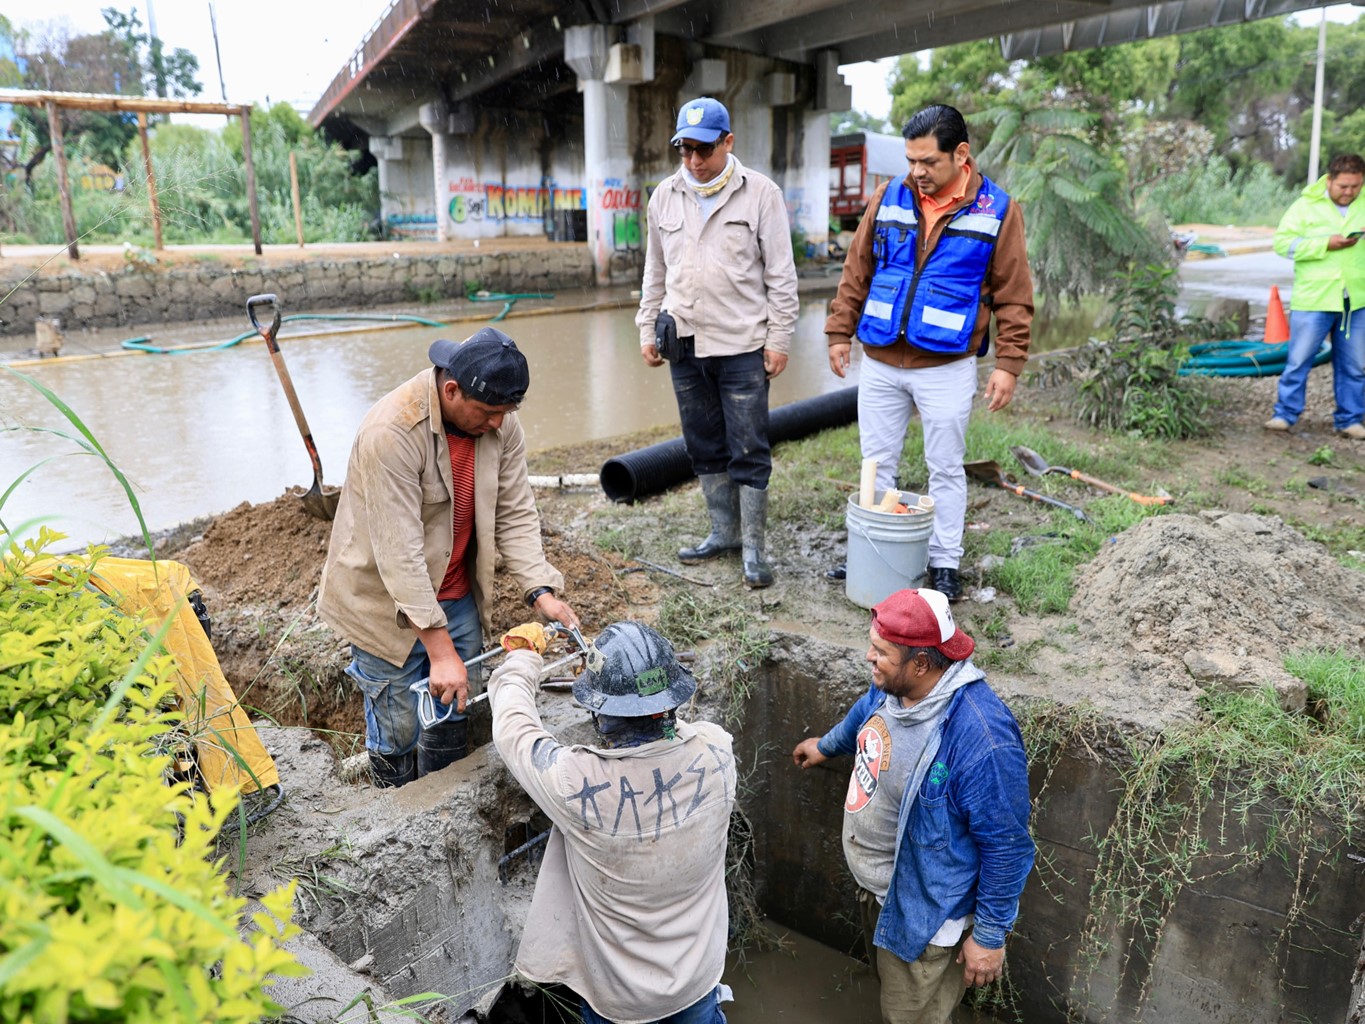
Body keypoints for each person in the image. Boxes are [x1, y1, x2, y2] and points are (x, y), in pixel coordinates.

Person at [318, 327, 580, 788]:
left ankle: (447, 801)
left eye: (506, 412)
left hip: (455, 593)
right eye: (489, 413)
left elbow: (515, 511)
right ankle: (395, 807)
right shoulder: (393, 432)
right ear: (452, 390)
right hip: (381, 602)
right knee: (398, 721)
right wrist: (439, 649)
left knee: (455, 706)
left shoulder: (499, 423)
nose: (498, 424)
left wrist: (540, 591)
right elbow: (398, 553)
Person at [791, 588, 1034, 1024]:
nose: (869, 658)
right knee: (892, 993)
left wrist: (991, 937)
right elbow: (866, 712)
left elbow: (1007, 848)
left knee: (910, 1017)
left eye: (881, 652)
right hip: (880, 892)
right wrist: (826, 746)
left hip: (925, 917)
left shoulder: (983, 740)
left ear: (921, 663)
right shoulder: (894, 685)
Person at [824, 104, 1034, 601]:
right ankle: (874, 550)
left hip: (947, 366)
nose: (916, 173)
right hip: (879, 359)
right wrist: (839, 332)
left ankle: (943, 564)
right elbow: (858, 270)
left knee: (945, 466)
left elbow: (1014, 293)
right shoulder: (889, 195)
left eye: (928, 162)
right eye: (910, 161)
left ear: (961, 155)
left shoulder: (997, 210)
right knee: (876, 462)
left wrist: (1009, 363)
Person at [489, 620, 737, 1024]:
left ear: (600, 713)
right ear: (670, 701)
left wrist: (522, 659)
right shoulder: (718, 752)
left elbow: (515, 730)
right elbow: (678, 735)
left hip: (620, 1003)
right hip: (698, 985)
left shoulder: (576, 781)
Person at [636, 96, 800, 589]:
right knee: (702, 444)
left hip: (743, 344)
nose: (693, 161)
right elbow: (654, 270)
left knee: (748, 446)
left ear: (728, 143)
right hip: (682, 342)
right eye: (684, 150)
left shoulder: (761, 194)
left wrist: (780, 339)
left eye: (703, 150)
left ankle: (753, 548)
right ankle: (723, 533)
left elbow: (782, 276)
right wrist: (647, 327)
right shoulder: (664, 197)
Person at [1265, 152, 1365, 441]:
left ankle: (1349, 419)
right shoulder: (1305, 206)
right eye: (1343, 186)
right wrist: (1325, 244)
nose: (1349, 193)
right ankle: (1284, 415)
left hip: (1356, 301)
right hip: (1314, 298)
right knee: (1299, 360)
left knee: (1355, 365)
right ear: (1329, 180)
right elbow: (1282, 244)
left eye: (1355, 187)